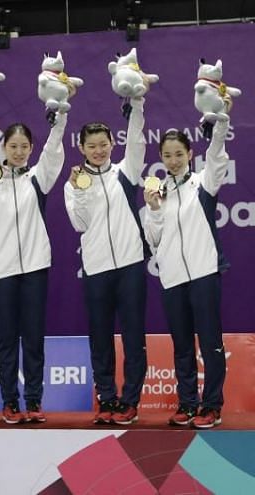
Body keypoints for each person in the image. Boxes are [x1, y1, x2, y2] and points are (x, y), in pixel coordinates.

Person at [0, 112, 67, 424]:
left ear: (30, 148)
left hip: (36, 267)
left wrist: (60, 119)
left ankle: (35, 400)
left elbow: (54, 152)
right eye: (13, 146)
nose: (19, 151)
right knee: (8, 338)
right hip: (3, 271)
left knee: (34, 336)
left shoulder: (37, 178)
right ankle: (10, 401)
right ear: (4, 149)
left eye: (24, 146)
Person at [143, 102, 232, 429]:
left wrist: (220, 124)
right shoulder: (158, 192)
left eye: (179, 153)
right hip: (172, 278)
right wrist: (152, 210)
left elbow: (217, 156)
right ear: (161, 158)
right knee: (182, 346)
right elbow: (153, 240)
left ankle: (212, 406)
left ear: (189, 153)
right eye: (167, 155)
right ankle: (187, 404)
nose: (173, 160)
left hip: (203, 273)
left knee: (210, 342)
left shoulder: (203, 183)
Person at [64, 96, 148, 426]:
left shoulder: (126, 172)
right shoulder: (73, 184)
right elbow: (79, 224)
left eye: (103, 144)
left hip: (130, 266)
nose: (98, 150)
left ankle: (130, 401)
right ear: (82, 148)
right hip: (97, 269)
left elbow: (138, 140)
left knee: (132, 336)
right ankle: (107, 398)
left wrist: (137, 107)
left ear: (113, 143)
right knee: (100, 337)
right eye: (92, 146)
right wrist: (80, 189)